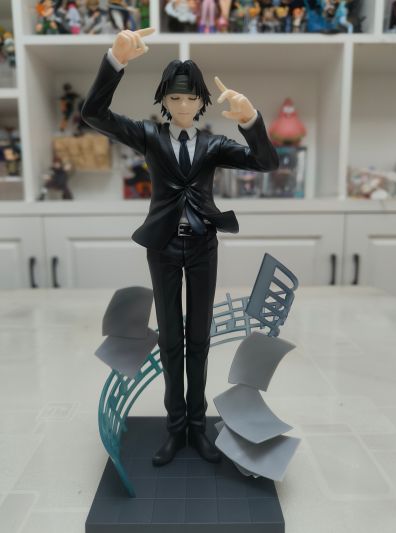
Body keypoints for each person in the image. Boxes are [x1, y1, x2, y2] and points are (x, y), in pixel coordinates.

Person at [81, 27, 279, 467]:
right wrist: (115, 60)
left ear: (202, 101)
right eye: (175, 97)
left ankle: (197, 425)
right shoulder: (148, 136)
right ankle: (174, 429)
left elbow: (266, 162)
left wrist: (250, 119)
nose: (183, 105)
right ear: (164, 100)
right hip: (164, 246)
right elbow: (93, 113)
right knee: (171, 338)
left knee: (199, 338)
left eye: (191, 98)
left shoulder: (213, 145)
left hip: (204, 244)